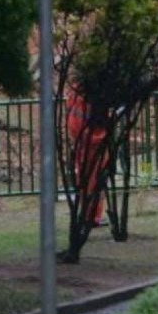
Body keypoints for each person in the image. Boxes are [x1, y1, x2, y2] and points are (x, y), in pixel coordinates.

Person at [65, 86, 109, 228]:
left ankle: (89, 215)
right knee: (93, 182)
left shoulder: (75, 96)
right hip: (91, 145)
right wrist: (103, 137)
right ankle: (91, 216)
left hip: (84, 144)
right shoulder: (88, 99)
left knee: (88, 181)